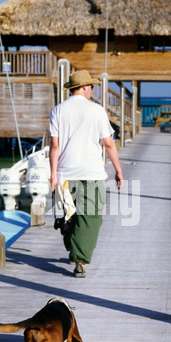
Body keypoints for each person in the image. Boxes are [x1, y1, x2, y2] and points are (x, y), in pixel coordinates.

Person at [49, 69, 124, 277]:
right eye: (91, 86)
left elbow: (54, 146)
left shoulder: (57, 110)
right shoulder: (96, 110)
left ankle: (72, 242)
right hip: (91, 173)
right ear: (84, 87)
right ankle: (80, 261)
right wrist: (119, 171)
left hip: (65, 174)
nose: (93, 90)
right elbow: (108, 143)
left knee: (71, 215)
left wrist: (53, 174)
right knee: (90, 217)